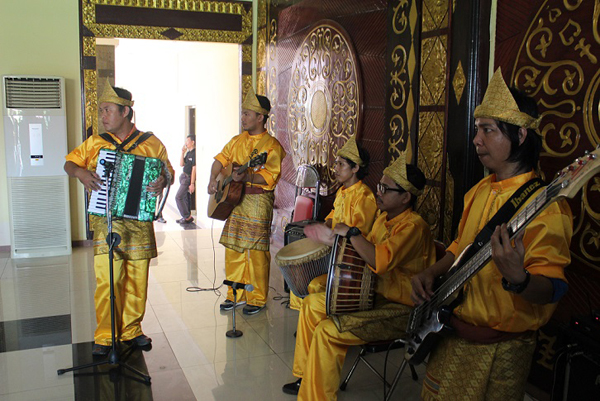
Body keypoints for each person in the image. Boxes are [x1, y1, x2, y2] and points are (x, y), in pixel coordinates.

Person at [410, 68, 573, 401]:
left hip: (499, 351)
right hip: (451, 332)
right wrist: (430, 272)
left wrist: (520, 279)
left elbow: (553, 287)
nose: (476, 140)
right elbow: (461, 249)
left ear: (520, 136)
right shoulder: (479, 191)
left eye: (487, 130)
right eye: (476, 129)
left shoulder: (546, 207)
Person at [282, 153, 436, 400]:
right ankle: (305, 377)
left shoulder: (413, 227)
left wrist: (351, 233)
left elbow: (378, 260)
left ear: (406, 197)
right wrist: (329, 234)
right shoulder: (384, 219)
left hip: (399, 308)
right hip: (372, 293)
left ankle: (316, 396)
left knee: (327, 330)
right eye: (379, 186)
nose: (379, 193)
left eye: (386, 189)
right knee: (311, 303)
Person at [64, 82, 174, 356]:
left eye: (107, 110)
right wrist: (80, 174)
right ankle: (105, 334)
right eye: (101, 110)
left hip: (139, 224)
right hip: (107, 223)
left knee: (137, 279)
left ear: (125, 112)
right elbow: (69, 162)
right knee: (108, 279)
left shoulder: (151, 143)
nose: (102, 116)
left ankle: (132, 329)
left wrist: (163, 180)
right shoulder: (96, 143)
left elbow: (168, 170)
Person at [208, 87, 286, 315]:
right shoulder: (236, 141)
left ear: (260, 117)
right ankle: (235, 294)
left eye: (247, 114)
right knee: (233, 248)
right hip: (234, 201)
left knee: (256, 251)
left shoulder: (272, 146)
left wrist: (248, 176)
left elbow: (270, 177)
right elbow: (220, 160)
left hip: (257, 202)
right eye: (242, 113)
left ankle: (257, 297)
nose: (242, 118)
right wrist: (213, 178)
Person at [289, 134, 378, 311]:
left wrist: (332, 234)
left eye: (341, 164)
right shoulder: (342, 192)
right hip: (335, 251)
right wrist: (323, 227)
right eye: (335, 163)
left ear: (355, 168)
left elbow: (359, 233)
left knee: (314, 284)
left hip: (352, 260)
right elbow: (332, 216)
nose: (335, 168)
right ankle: (308, 318)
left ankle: (316, 316)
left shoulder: (365, 196)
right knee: (299, 272)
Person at [176, 134, 196, 224]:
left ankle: (186, 216)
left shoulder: (195, 153)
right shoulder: (188, 153)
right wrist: (182, 152)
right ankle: (187, 216)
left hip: (188, 178)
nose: (186, 143)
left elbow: (194, 169)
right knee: (185, 198)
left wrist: (192, 183)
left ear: (193, 142)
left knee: (178, 197)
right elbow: (181, 164)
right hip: (183, 176)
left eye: (188, 141)